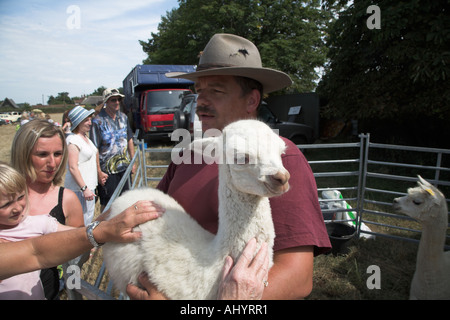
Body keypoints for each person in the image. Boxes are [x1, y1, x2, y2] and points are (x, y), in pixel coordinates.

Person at [129, 34, 331, 300]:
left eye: (216, 91)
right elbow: (151, 216)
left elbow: (297, 277)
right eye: (199, 91)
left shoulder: (280, 160)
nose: (201, 101)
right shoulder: (190, 154)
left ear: (251, 100)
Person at [10, 119, 85, 299]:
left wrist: (73, 290)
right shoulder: (5, 197)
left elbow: (79, 254)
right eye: (42, 154)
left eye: (58, 153)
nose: (53, 163)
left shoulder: (67, 200)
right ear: (23, 154)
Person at [0, 163, 73, 299]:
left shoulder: (36, 223)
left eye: (21, 197)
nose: (17, 208)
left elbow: (74, 234)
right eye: (6, 204)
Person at [90, 88, 135, 212]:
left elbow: (129, 139)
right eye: (113, 100)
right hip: (107, 171)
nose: (117, 102)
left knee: (126, 200)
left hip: (124, 167)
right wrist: (99, 171)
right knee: (108, 203)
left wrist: (133, 161)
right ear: (106, 102)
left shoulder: (124, 117)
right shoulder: (97, 121)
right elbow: (95, 148)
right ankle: (105, 228)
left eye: (118, 99)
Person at [64, 106, 99, 225]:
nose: (90, 122)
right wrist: (84, 188)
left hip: (89, 187)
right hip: (79, 189)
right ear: (79, 122)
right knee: (80, 222)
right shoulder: (73, 140)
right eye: (87, 120)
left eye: (90, 119)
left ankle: (85, 242)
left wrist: (99, 174)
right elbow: (73, 167)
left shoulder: (85, 138)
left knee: (88, 219)